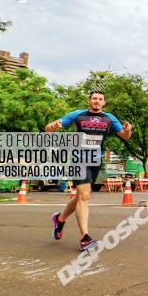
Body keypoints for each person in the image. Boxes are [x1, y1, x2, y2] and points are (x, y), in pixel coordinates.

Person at [45, 90, 132, 251]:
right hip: (78, 159)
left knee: (80, 196)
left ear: (104, 102)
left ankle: (60, 219)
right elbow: (48, 129)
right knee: (85, 196)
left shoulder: (109, 118)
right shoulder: (77, 115)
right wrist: (53, 126)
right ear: (89, 101)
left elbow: (125, 136)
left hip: (95, 160)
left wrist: (127, 130)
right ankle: (85, 238)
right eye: (94, 98)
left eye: (100, 99)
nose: (97, 101)